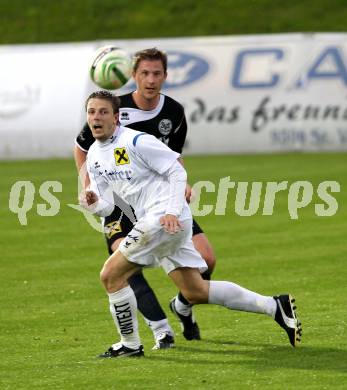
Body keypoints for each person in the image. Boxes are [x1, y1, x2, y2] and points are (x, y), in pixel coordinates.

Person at [79, 90, 302, 358]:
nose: (96, 117)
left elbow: (176, 169)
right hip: (159, 222)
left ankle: (129, 345)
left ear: (116, 117)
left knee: (110, 275)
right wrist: (93, 203)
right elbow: (109, 205)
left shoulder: (136, 141)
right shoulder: (93, 155)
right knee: (195, 290)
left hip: (162, 219)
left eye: (103, 112)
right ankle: (275, 306)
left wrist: (172, 211)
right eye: (91, 112)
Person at [74, 48, 216, 349]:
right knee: (122, 263)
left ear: (165, 76)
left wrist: (183, 181)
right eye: (144, 74)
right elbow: (81, 146)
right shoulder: (112, 108)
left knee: (207, 260)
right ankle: (161, 330)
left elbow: (174, 158)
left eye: (157, 74)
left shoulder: (174, 112)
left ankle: (183, 305)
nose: (151, 80)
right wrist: (88, 185)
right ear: (133, 75)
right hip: (119, 200)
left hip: (158, 199)